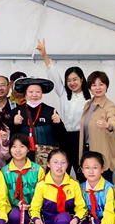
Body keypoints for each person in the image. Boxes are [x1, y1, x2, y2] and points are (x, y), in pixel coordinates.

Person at [37, 39, 90, 181]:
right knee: (62, 173)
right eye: (69, 80)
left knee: (82, 173)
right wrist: (45, 56)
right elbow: (54, 75)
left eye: (75, 79)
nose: (72, 83)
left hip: (81, 139)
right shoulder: (63, 94)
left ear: (82, 80)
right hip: (65, 137)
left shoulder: (89, 99)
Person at [29, 149, 85, 224]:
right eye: (55, 162)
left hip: (63, 222)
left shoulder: (74, 185)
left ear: (67, 165)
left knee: (64, 218)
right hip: (46, 221)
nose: (59, 166)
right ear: (48, 164)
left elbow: (81, 208)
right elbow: (34, 208)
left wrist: (76, 218)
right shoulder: (42, 185)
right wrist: (36, 219)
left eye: (63, 162)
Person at [0, 133, 44, 224]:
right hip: (13, 212)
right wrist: (3, 220)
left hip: (33, 210)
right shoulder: (4, 171)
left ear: (28, 149)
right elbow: (3, 199)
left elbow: (43, 194)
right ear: (10, 149)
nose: (18, 150)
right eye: (14, 147)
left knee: (22, 216)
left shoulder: (38, 170)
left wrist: (32, 206)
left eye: (22, 146)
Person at [13, 77, 65, 167]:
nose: (34, 94)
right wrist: (14, 124)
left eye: (38, 91)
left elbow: (61, 137)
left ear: (42, 93)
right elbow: (11, 137)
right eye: (31, 92)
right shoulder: (16, 111)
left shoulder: (51, 111)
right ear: (25, 93)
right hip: (24, 156)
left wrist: (58, 123)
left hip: (46, 157)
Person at [78, 71, 115, 183]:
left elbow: (113, 121)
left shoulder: (109, 105)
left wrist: (107, 125)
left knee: (104, 189)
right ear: (90, 87)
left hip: (102, 154)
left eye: (101, 84)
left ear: (106, 86)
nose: (98, 88)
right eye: (94, 85)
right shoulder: (88, 105)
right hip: (87, 152)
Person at [74, 151, 115, 224]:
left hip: (105, 222)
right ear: (82, 170)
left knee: (97, 223)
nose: (91, 171)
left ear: (102, 169)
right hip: (89, 220)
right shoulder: (80, 188)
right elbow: (79, 208)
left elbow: (110, 214)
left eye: (95, 168)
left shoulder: (109, 189)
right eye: (87, 168)